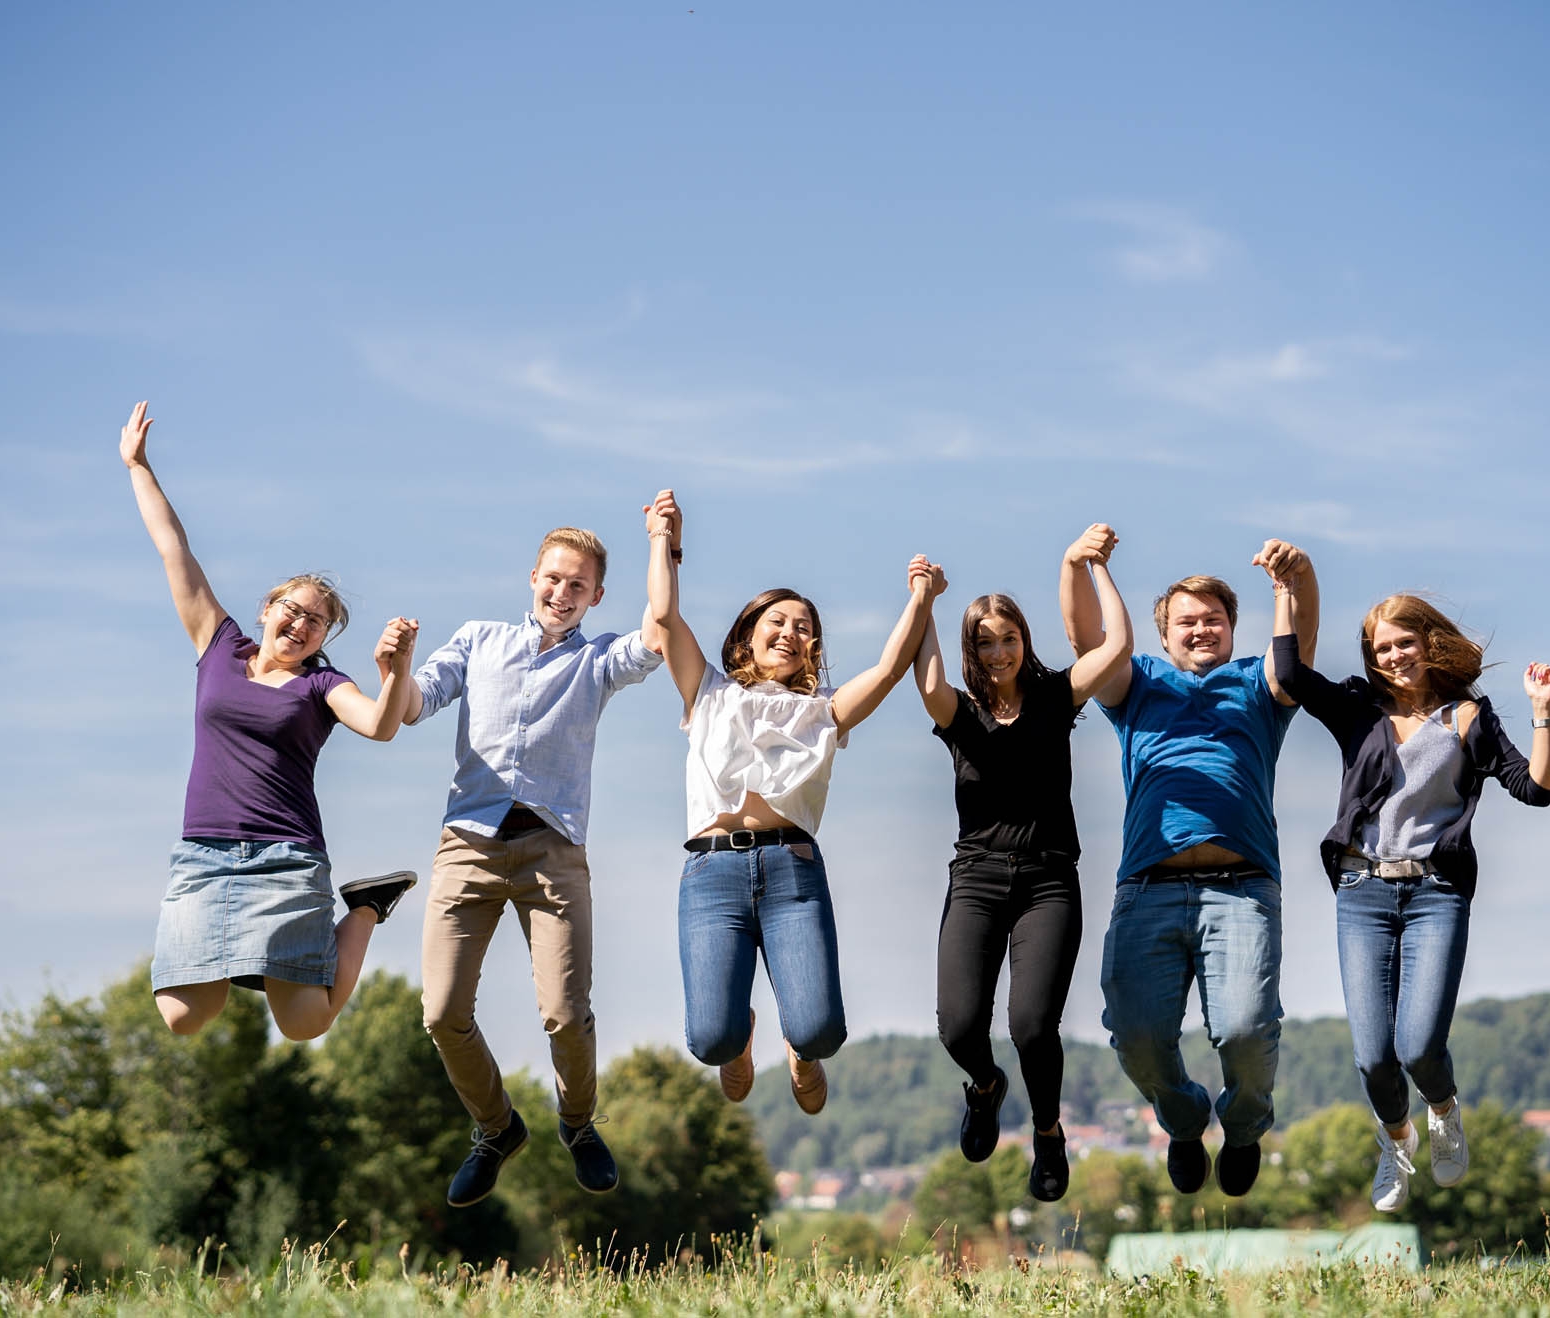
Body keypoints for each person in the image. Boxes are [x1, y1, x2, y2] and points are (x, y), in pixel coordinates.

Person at [121, 401, 420, 1044]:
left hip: (287, 857)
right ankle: (234, 952)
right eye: (294, 609)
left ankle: (366, 906)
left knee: (304, 1024)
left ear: (322, 637)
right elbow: (175, 550)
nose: (301, 624)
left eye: (317, 621)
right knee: (181, 1015)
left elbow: (379, 726)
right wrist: (138, 466)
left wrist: (394, 670)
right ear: (268, 608)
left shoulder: (322, 684)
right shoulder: (218, 646)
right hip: (203, 855)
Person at [642, 489, 941, 1116]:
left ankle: (798, 1052)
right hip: (712, 873)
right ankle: (743, 1040)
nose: (790, 631)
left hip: (792, 873)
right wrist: (663, 541)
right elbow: (666, 618)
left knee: (819, 1031)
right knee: (710, 1039)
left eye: (803, 627)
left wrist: (921, 598)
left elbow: (889, 668)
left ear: (812, 649)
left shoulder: (825, 712)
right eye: (776, 622)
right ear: (746, 639)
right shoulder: (707, 691)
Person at [404, 517, 665, 1205]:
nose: (562, 592)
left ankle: (577, 1124)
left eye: (577, 585)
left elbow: (660, 634)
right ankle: (495, 1128)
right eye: (553, 578)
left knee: (564, 1011)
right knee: (440, 1012)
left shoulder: (597, 661)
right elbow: (412, 705)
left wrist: (662, 545)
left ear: (595, 596)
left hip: (553, 850)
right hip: (467, 844)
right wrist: (392, 669)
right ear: (533, 578)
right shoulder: (477, 640)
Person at [1270, 592, 1550, 1211]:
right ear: (1372, 658)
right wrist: (1285, 592)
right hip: (1362, 890)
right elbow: (1289, 675)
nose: (1395, 656)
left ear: (1428, 642)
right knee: (1374, 1057)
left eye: (1405, 642)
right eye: (1382, 648)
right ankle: (1395, 1140)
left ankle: (1444, 1109)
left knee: (1419, 1046)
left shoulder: (1468, 718)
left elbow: (1533, 790)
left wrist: (1542, 714)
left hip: (1436, 892)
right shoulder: (1357, 707)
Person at [1063, 535, 1319, 1198]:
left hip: (1240, 891)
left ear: (1232, 629)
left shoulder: (1256, 686)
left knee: (1242, 1028)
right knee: (1136, 1033)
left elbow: (1298, 647)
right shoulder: (1138, 684)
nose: (1200, 628)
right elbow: (1088, 641)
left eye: (1213, 619)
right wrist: (1078, 566)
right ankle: (1182, 1119)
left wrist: (1295, 580)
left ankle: (1242, 1127)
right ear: (1164, 634)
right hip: (1148, 885)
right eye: (1187, 620)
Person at [909, 523, 1133, 1202]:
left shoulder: (1056, 700)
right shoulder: (960, 715)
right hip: (975, 881)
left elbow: (1116, 645)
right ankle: (983, 1086)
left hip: (1047, 883)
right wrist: (923, 599)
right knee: (957, 1026)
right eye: (984, 640)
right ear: (971, 649)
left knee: (1031, 1024)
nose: (998, 649)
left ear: (1023, 642)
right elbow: (924, 678)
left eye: (1008, 638)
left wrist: (1095, 566)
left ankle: (1046, 1132)